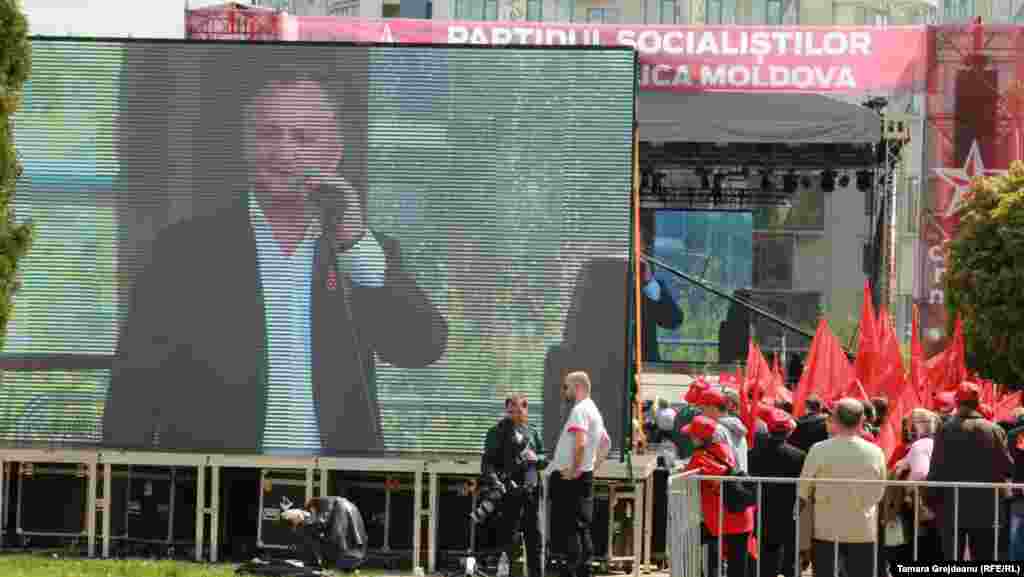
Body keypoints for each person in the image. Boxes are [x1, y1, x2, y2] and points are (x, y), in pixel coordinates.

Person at [102, 69, 448, 454]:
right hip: (217, 481)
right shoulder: (184, 250)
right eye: (268, 134)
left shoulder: (364, 251)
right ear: (246, 144)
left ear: (334, 152)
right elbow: (134, 386)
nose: (284, 152)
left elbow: (422, 347)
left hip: (337, 484)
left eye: (303, 137)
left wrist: (353, 242)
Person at [797, 398, 887, 577]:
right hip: (862, 528)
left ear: (835, 420)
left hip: (826, 528)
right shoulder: (875, 452)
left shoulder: (818, 449)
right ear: (862, 420)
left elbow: (804, 489)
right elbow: (880, 491)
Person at [926, 381, 1014, 561]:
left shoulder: (945, 429)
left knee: (952, 560)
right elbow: (1007, 467)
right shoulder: (993, 430)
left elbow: (936, 468)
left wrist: (930, 500)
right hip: (985, 507)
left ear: (957, 402)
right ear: (978, 402)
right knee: (983, 558)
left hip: (951, 505)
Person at [548, 371, 610, 577]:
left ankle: (572, 571)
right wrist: (590, 467)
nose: (564, 391)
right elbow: (605, 444)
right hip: (584, 476)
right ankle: (584, 569)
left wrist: (575, 470)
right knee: (581, 526)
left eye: (566, 387)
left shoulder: (580, 410)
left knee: (569, 527)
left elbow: (581, 443)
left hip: (571, 478)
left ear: (578, 387)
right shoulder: (594, 411)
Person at [481, 394, 545, 577]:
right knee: (510, 541)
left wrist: (536, 458)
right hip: (508, 493)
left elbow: (544, 457)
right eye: (510, 412)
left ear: (526, 411)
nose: (514, 415)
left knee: (535, 540)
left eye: (518, 411)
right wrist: (495, 482)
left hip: (531, 493)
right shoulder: (496, 432)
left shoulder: (532, 432)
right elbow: (487, 463)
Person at [681, 415, 753, 577]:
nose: (690, 439)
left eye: (692, 436)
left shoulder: (700, 457)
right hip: (742, 514)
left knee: (685, 542)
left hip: (721, 518)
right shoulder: (725, 448)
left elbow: (685, 479)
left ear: (700, 438)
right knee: (738, 567)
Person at [748, 408, 805, 577]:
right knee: (790, 557)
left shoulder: (753, 454)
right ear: (789, 431)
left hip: (762, 510)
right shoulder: (799, 455)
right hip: (788, 511)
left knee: (766, 557)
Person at [637, 218, 683, 362]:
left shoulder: (653, 285)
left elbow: (673, 321)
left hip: (646, 365)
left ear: (644, 248)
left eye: (636, 244)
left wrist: (649, 283)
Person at [696, 388, 749, 473]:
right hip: (740, 477)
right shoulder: (736, 423)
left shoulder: (716, 429)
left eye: (702, 409)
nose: (701, 414)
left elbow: (713, 461)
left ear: (712, 408)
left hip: (726, 479)